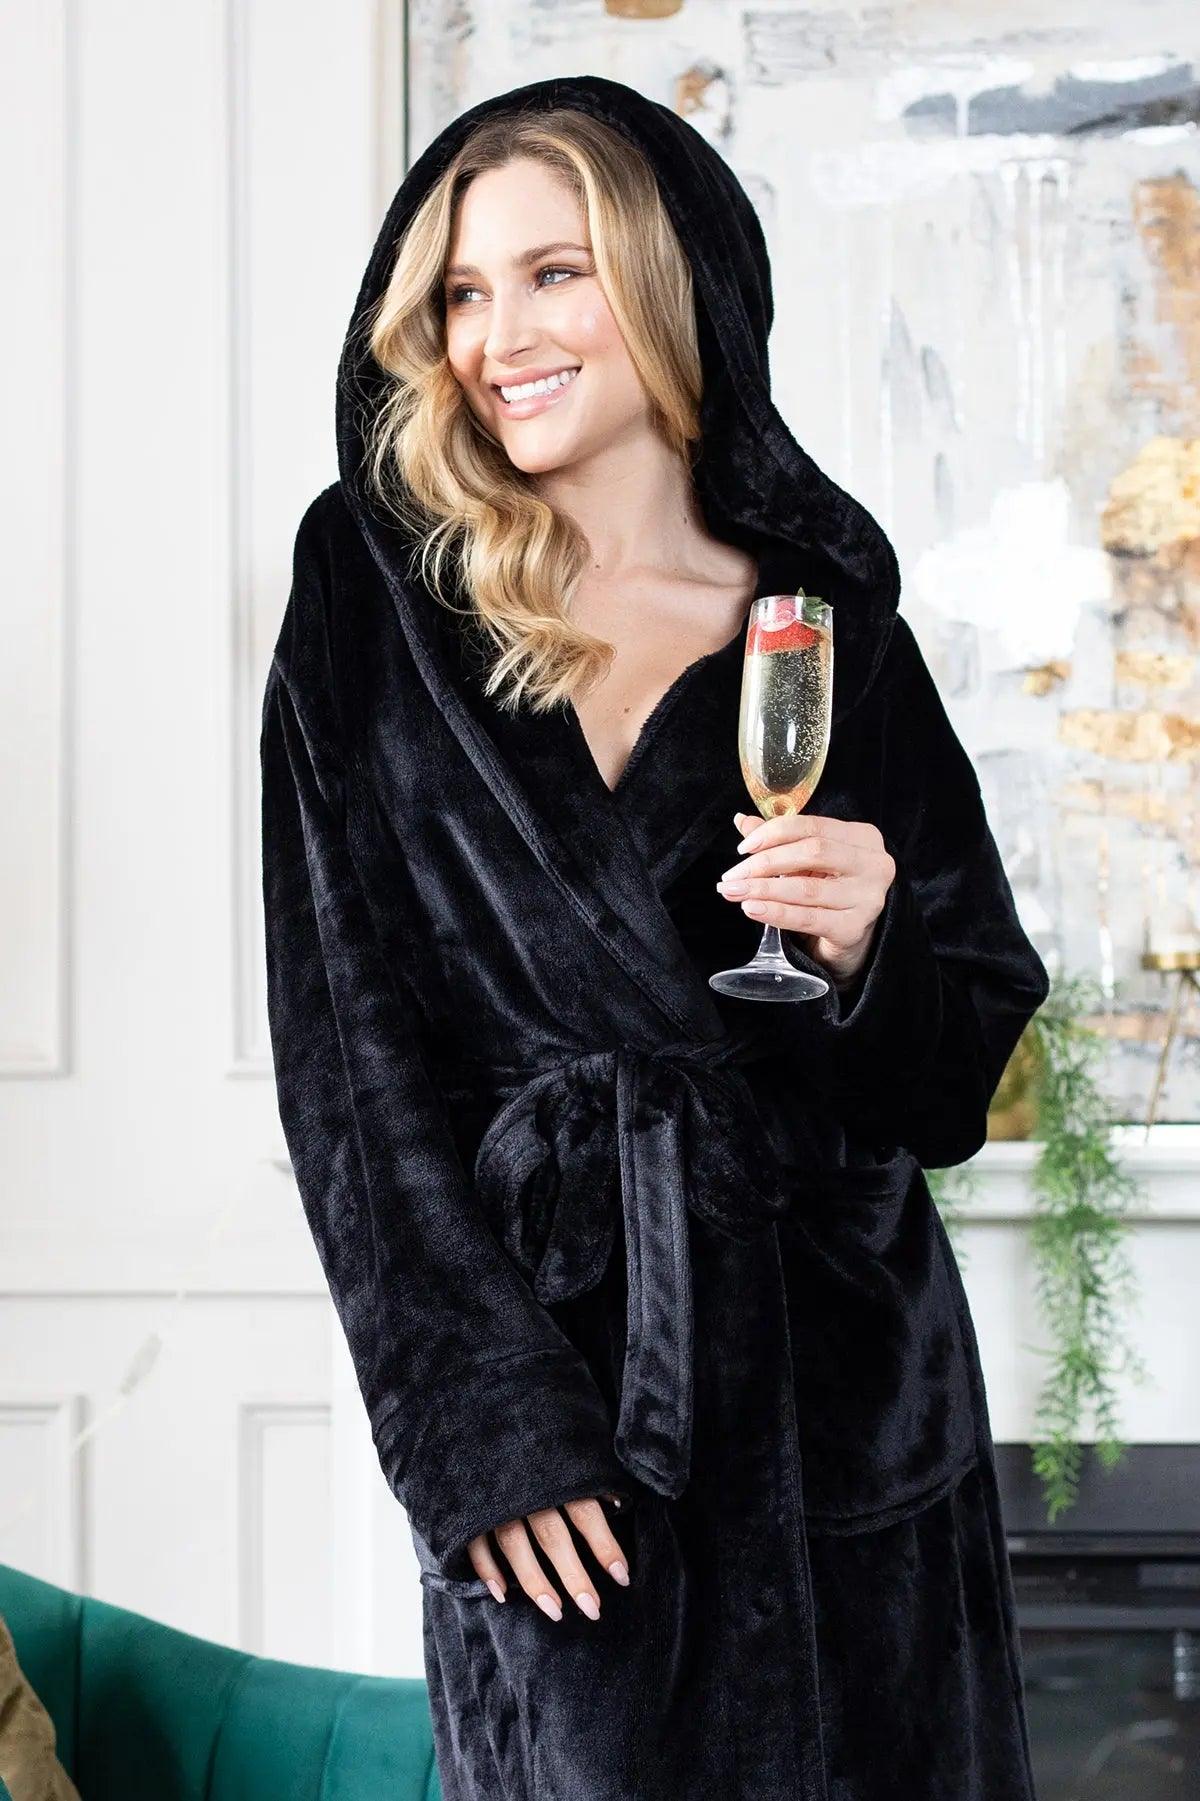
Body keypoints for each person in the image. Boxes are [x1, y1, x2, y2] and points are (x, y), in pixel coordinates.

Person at [260, 73, 1050, 1801]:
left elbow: (955, 1073)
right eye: (463, 292)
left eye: (556, 273)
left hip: (846, 1389)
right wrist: (475, 1424)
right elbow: (346, 1059)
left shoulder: (823, 621)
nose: (499, 336)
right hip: (563, 1395)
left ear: (670, 278)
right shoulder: (376, 597)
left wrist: (869, 957)